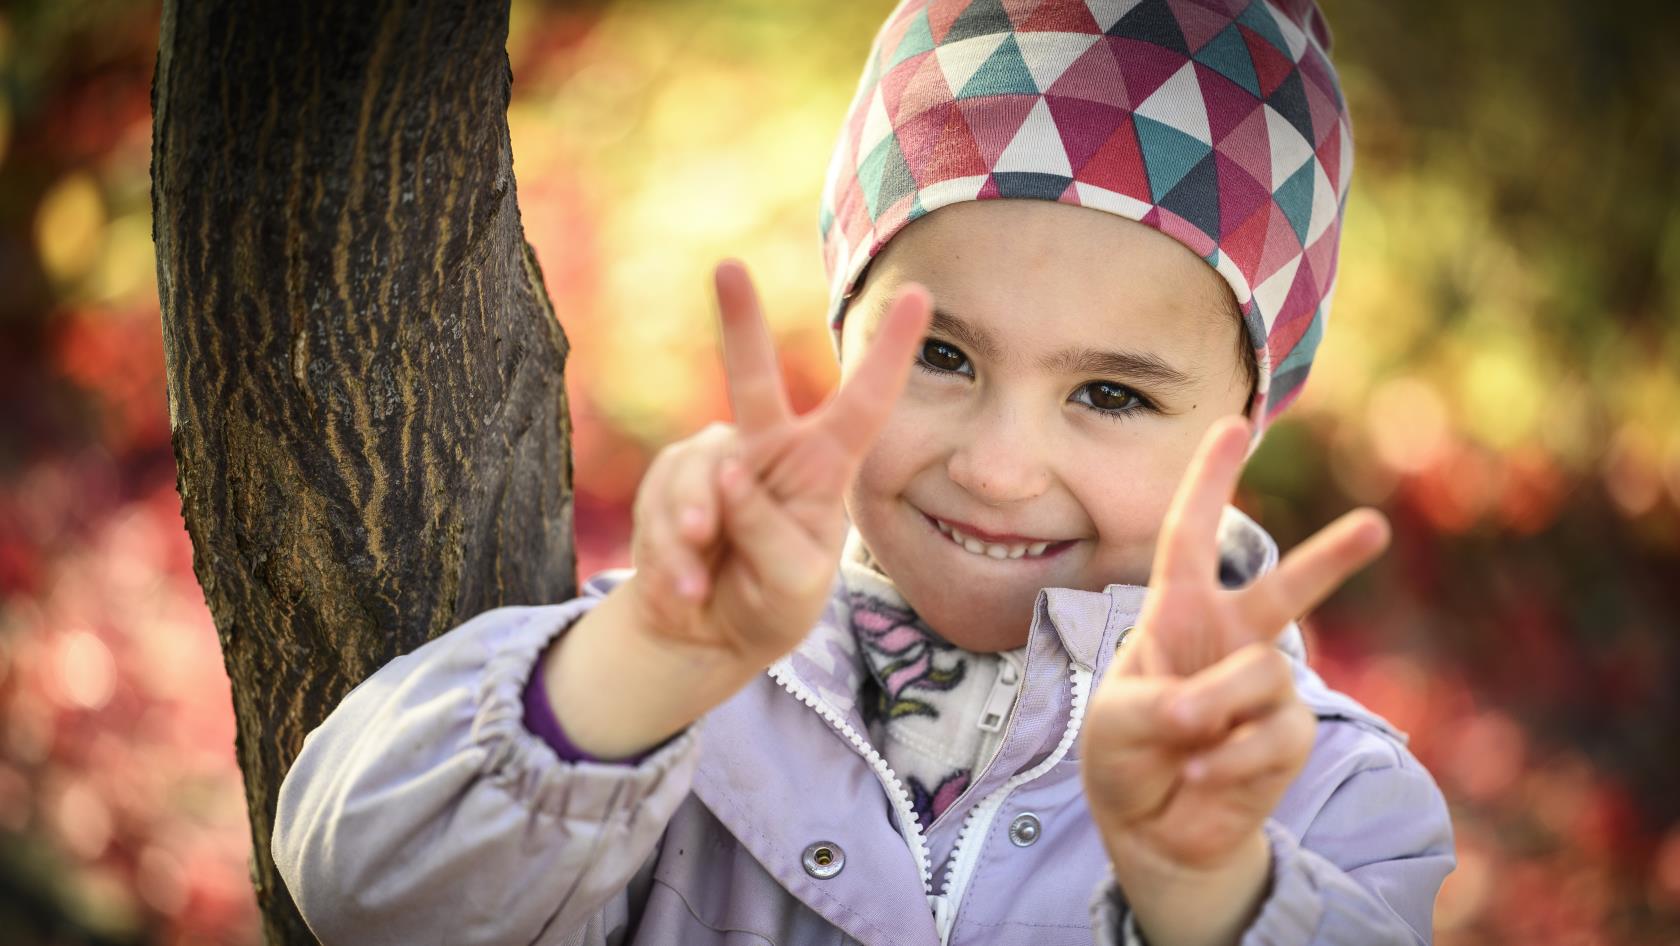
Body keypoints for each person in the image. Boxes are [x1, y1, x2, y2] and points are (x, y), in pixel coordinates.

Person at [272, 1, 1456, 943]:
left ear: (1250, 416)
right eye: (938, 353)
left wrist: (1206, 889)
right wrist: (649, 660)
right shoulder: (679, 671)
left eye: (1111, 394)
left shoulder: (1327, 799)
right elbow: (359, 895)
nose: (996, 470)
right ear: (844, 326)